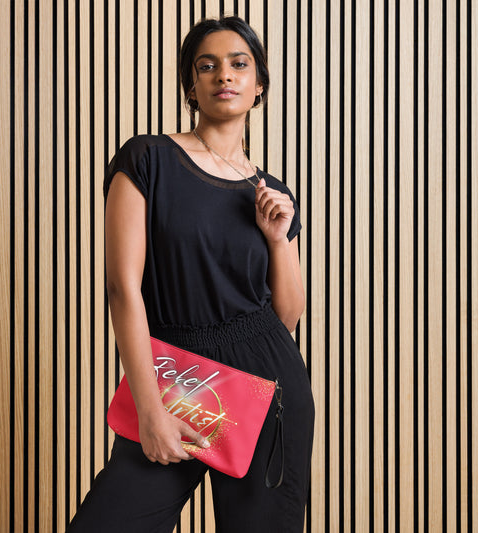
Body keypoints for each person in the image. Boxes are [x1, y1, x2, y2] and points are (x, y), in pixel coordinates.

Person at [68, 15, 314, 533]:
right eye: (207, 65)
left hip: (265, 385)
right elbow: (122, 290)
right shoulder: (148, 159)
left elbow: (287, 318)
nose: (224, 74)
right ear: (191, 86)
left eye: (239, 64)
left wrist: (278, 238)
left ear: (259, 84)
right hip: (174, 379)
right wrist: (150, 411)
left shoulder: (272, 193)